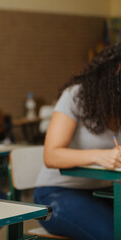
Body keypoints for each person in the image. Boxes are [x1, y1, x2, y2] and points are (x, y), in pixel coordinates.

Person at [34, 43, 121, 240]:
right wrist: (100, 156)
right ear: (110, 73)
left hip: (104, 191)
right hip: (57, 193)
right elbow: (51, 155)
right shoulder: (76, 95)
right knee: (113, 235)